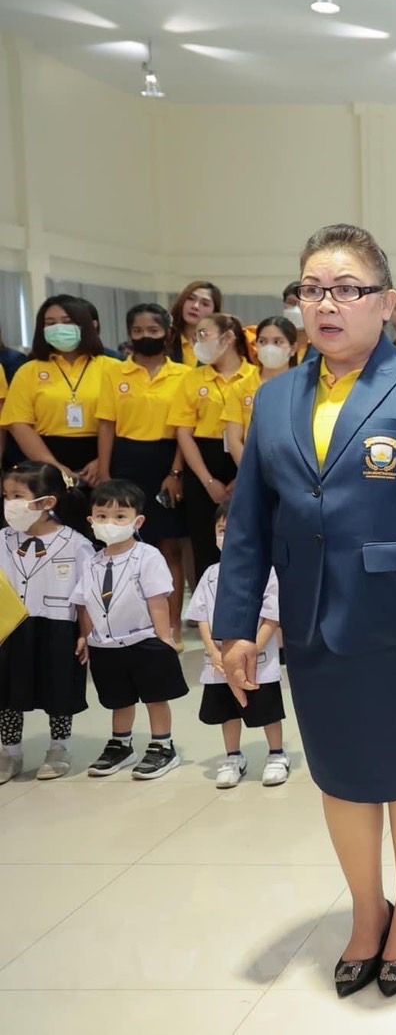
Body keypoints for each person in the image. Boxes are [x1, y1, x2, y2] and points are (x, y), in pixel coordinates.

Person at [216, 223, 396, 998]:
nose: (326, 304)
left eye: (346, 289)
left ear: (386, 302)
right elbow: (250, 524)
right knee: (340, 777)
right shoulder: (275, 398)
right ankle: (368, 911)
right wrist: (235, 626)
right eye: (312, 290)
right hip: (314, 623)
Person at [73, 479, 190, 781]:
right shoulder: (91, 562)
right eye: (102, 516)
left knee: (155, 696)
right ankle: (121, 744)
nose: (109, 523)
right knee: (118, 698)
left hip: (144, 639)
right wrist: (86, 635)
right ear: (91, 520)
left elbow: (157, 599)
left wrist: (163, 637)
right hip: (106, 644)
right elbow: (85, 602)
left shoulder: (147, 556)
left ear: (137, 521)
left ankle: (162, 745)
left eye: (120, 516)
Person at [96, 305, 192, 647]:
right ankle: (133, 625)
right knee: (125, 546)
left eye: (153, 330)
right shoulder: (114, 373)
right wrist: (105, 472)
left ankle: (172, 628)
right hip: (126, 460)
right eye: (138, 331)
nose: (145, 336)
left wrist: (176, 472)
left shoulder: (185, 374)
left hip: (167, 460)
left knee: (169, 548)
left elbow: (185, 430)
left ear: (167, 333)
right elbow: (106, 425)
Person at [0, 462, 94, 784]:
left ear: (47, 502)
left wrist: (85, 633)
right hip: (10, 629)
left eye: (18, 496)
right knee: (6, 691)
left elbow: (84, 595)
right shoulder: (3, 539)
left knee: (59, 688)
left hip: (57, 628)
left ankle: (59, 747)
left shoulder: (75, 543)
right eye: (6, 496)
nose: (9, 503)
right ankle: (10, 750)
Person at [187, 502, 289, 789]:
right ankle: (233, 756)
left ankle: (276, 753)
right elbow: (201, 616)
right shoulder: (210, 573)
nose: (227, 537)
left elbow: (272, 617)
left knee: (267, 709)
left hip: (257, 660)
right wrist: (213, 651)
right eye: (222, 530)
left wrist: (253, 649)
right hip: (219, 662)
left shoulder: (266, 572)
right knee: (227, 711)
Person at [1, 297, 114, 524]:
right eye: (50, 323)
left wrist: (102, 461)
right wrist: (53, 466)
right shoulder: (29, 370)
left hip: (104, 457)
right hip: (46, 456)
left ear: (85, 325)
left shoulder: (114, 368)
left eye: (67, 321)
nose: (58, 328)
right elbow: (18, 422)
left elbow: (125, 420)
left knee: (101, 533)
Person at [172, 313, 259, 584]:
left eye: (203, 334)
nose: (197, 341)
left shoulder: (255, 376)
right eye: (195, 335)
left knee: (249, 540)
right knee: (204, 543)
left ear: (228, 337)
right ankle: (207, 606)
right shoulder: (192, 378)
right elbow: (184, 433)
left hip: (246, 459)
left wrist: (243, 476)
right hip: (202, 464)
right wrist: (208, 481)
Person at [225, 315, 299, 464]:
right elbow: (233, 440)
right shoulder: (240, 387)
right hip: (251, 465)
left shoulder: (305, 386)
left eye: (277, 342)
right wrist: (251, 472)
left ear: (293, 349)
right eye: (263, 341)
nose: (269, 348)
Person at [169, 281, 221, 365]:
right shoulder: (165, 339)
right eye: (190, 299)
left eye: (205, 304)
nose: (195, 306)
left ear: (214, 312)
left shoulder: (219, 347)